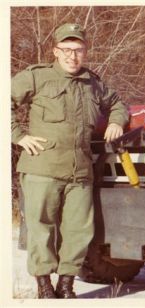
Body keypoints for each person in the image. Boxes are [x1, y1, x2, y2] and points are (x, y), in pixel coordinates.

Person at [11, 23, 129, 299]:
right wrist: (17, 135)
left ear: (85, 51)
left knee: (78, 231)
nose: (72, 56)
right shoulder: (37, 77)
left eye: (78, 49)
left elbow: (118, 103)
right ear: (55, 51)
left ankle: (66, 285)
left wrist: (116, 121)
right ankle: (44, 287)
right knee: (41, 230)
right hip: (43, 168)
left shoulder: (93, 82)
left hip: (80, 172)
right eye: (66, 49)